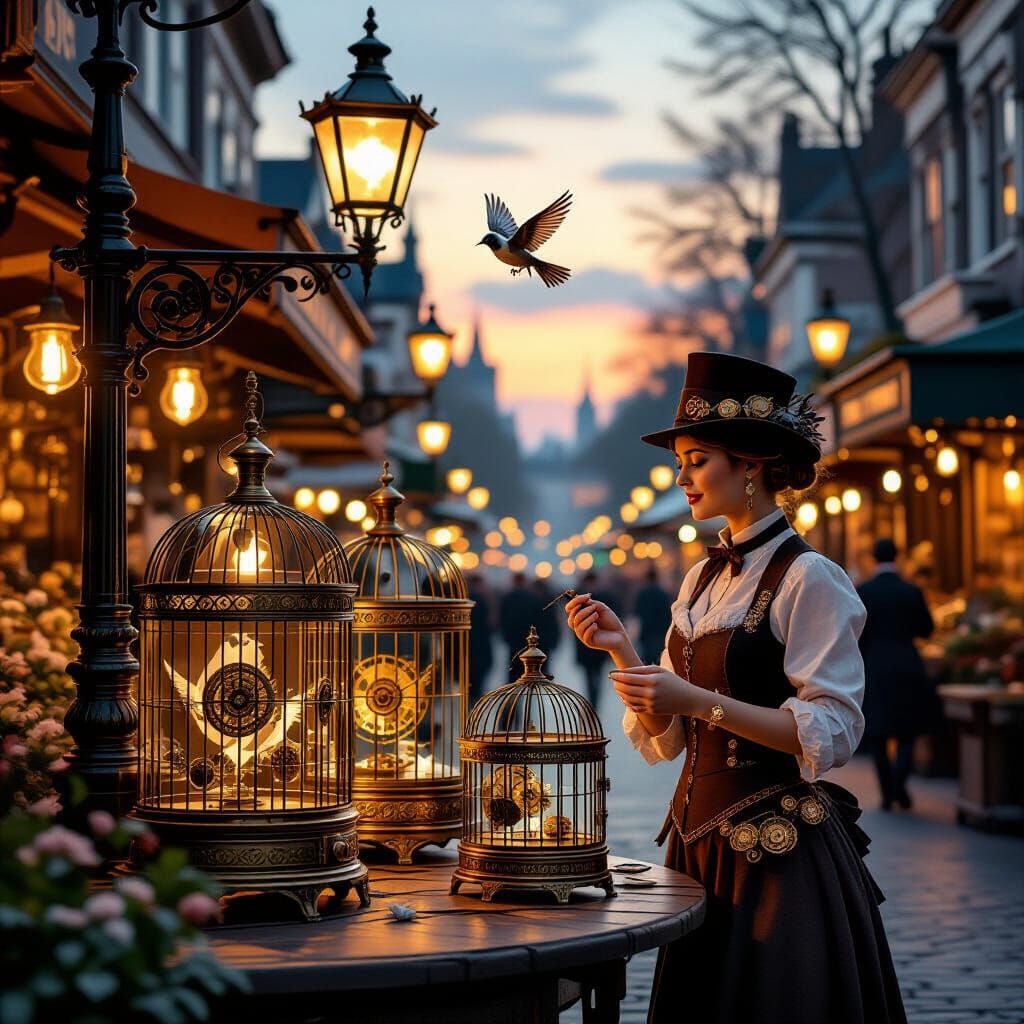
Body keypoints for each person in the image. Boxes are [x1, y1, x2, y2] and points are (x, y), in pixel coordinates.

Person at [565, 352, 906, 1024]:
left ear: (749, 465)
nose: (682, 478)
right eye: (681, 462)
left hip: (775, 852)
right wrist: (620, 649)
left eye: (697, 461)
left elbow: (830, 732)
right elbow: (667, 734)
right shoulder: (701, 579)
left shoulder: (810, 577)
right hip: (695, 845)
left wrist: (696, 702)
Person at [857, 539, 936, 811]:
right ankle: (899, 786)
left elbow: (856, 631)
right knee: (907, 731)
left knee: (877, 733)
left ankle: (888, 791)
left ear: (874, 557)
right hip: (907, 664)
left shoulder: (864, 591)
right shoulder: (911, 591)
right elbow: (926, 628)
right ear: (897, 557)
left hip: (875, 666)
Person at [573, 571, 615, 712]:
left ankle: (592, 700)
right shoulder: (604, 597)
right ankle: (594, 701)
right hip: (600, 646)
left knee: (589, 676)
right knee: (597, 675)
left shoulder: (579, 600)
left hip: (585, 645)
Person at [498, 573, 542, 681]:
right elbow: (537, 620)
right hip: (528, 640)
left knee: (514, 670)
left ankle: (514, 688)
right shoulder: (532, 598)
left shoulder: (507, 598)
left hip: (513, 639)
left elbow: (502, 619)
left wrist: (506, 636)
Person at [465, 574, 494, 712]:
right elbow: (488, 625)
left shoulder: (465, 600)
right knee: (477, 682)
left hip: (467, 647)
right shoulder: (480, 601)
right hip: (479, 648)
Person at [632, 566, 672, 666]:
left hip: (647, 633)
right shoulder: (662, 594)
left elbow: (637, 612)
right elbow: (668, 613)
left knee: (647, 660)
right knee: (659, 661)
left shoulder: (642, 594)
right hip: (660, 633)